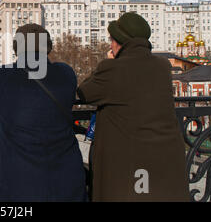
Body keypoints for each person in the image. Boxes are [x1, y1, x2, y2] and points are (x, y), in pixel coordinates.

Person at [77, 13, 190, 202]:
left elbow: (84, 92)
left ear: (121, 41)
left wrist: (108, 63)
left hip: (129, 167)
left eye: (112, 40)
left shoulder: (114, 69)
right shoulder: (162, 66)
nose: (110, 45)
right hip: (166, 161)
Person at [0, 24, 87, 202]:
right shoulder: (66, 74)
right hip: (66, 179)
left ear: (16, 47)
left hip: (18, 183)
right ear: (48, 47)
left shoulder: (3, 76)